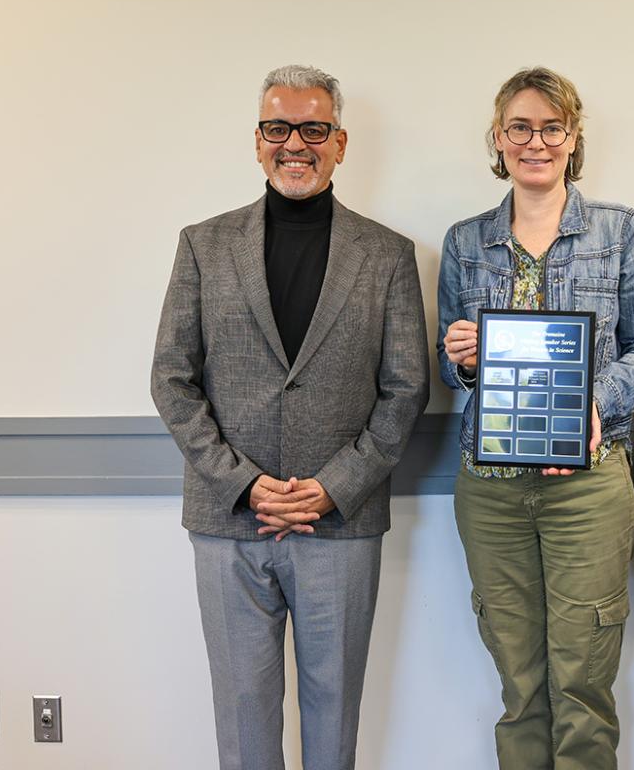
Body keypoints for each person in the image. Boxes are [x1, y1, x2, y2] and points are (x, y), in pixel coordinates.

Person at [150, 64, 429, 770]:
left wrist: (333, 487)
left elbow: (405, 390)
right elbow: (172, 380)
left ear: (340, 143)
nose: (294, 143)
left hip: (339, 520)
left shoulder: (389, 255)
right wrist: (244, 484)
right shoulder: (202, 246)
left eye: (312, 128)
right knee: (242, 724)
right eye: (279, 127)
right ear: (257, 140)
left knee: (334, 723)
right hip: (228, 521)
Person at [437, 67, 634, 769]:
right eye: (519, 127)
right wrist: (463, 357)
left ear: (572, 139)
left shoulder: (618, 230)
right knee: (520, 682)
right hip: (492, 488)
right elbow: (453, 370)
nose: (534, 142)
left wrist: (592, 402)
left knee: (582, 681)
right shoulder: (465, 241)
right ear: (498, 138)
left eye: (551, 127)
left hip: (588, 485)